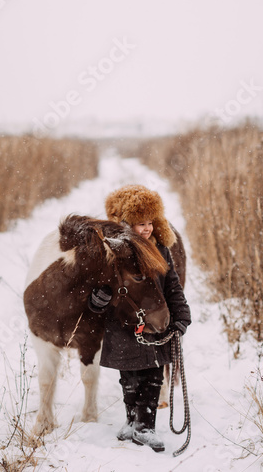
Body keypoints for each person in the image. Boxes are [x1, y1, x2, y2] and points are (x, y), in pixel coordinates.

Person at [88, 185, 191, 452]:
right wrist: (97, 300)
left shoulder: (161, 249)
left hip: (156, 321)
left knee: (153, 374)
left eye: (149, 223)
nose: (146, 229)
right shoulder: (111, 253)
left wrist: (181, 316)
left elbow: (172, 286)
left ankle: (145, 426)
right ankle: (131, 421)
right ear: (123, 224)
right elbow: (99, 287)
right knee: (129, 375)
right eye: (138, 224)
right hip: (123, 323)